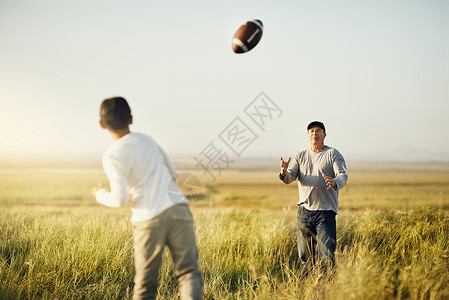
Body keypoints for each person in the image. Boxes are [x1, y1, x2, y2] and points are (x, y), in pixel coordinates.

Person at [92, 97, 203, 300]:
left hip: (148, 217)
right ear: (131, 119)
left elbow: (119, 199)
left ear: (101, 124)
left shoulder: (111, 155)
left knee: (145, 285)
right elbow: (174, 174)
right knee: (189, 274)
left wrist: (99, 194)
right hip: (178, 207)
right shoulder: (148, 141)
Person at [279, 121, 348, 277]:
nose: (314, 134)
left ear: (324, 134)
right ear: (307, 135)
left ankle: (327, 288)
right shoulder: (300, 156)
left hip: (326, 212)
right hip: (304, 212)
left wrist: (335, 182)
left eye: (318, 131)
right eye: (311, 131)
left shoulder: (333, 154)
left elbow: (343, 175)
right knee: (306, 255)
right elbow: (290, 178)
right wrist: (283, 172)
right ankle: (308, 288)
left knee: (327, 255)